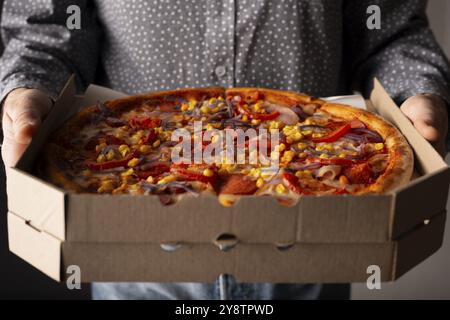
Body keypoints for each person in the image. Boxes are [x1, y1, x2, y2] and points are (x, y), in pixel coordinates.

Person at [1, 0, 449, 300]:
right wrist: (28, 92)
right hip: (132, 255)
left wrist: (415, 92)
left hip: (317, 248)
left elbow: (389, 29)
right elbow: (50, 27)